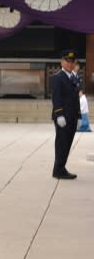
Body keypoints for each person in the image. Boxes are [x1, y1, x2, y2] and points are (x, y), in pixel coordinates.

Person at [49, 50, 81, 180]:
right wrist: (59, 114)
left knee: (67, 143)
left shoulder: (74, 77)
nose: (69, 64)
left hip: (72, 116)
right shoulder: (57, 77)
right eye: (67, 61)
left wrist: (79, 116)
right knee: (62, 143)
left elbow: (76, 99)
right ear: (62, 62)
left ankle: (61, 167)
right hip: (63, 117)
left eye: (72, 62)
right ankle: (58, 169)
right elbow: (56, 98)